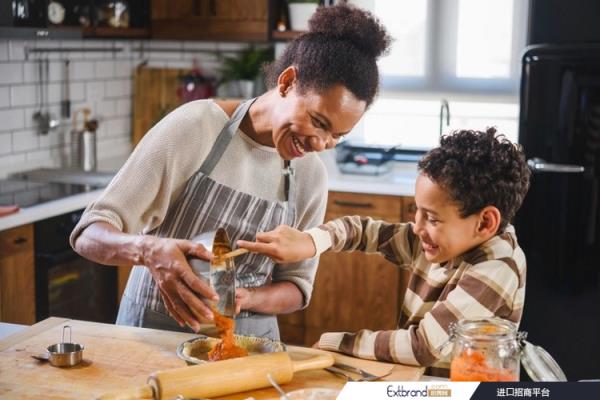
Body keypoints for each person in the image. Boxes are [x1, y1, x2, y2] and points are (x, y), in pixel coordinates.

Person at [69, 4, 392, 340]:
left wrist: (248, 298)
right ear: (287, 82)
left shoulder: (311, 176)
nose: (321, 143)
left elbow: (296, 286)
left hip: (249, 344)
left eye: (336, 136)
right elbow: (89, 234)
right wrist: (148, 250)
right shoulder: (197, 128)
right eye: (318, 122)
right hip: (153, 334)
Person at [238, 128, 531, 366]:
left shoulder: (496, 266)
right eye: (416, 211)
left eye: (431, 218)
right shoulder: (441, 242)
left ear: (485, 223)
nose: (417, 227)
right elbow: (362, 231)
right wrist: (311, 242)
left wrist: (338, 343)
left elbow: (423, 346)